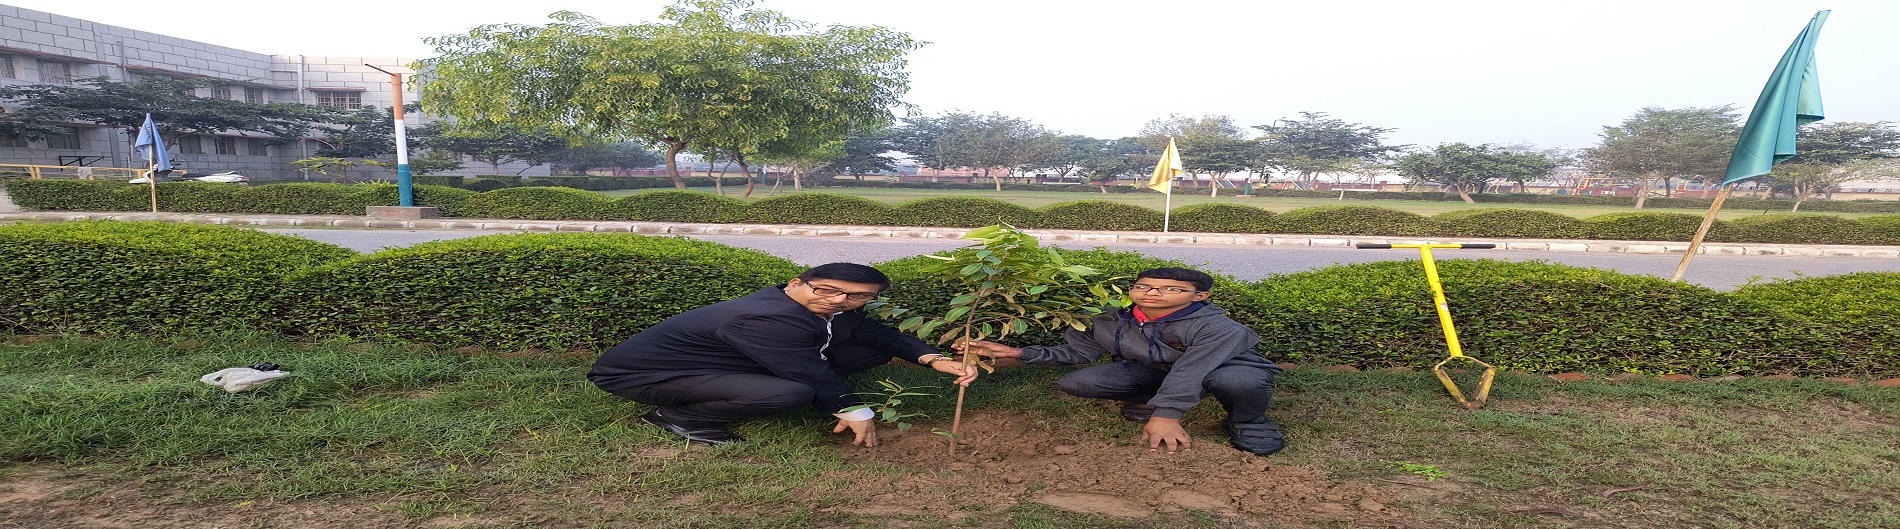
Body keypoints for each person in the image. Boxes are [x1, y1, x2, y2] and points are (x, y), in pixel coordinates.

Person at [589, 263, 977, 447]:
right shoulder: (765, 318)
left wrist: (933, 358)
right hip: (649, 378)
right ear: (797, 284)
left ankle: (788, 389)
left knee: (865, 351)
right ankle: (678, 416)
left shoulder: (837, 308)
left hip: (727, 362)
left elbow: (878, 335)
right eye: (827, 290)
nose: (841, 301)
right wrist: (855, 410)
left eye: (858, 296)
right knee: (792, 391)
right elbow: (807, 370)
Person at [957, 267, 1285, 456]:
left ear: (1199, 296)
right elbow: (1077, 354)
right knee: (1078, 381)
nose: (1152, 293)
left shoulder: (1217, 327)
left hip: (1220, 368)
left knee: (1239, 382)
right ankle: (1145, 398)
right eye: (1143, 286)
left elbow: (1193, 369)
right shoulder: (1106, 318)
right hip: (1153, 370)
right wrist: (1017, 353)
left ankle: (1248, 422)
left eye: (1170, 288)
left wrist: (1168, 414)